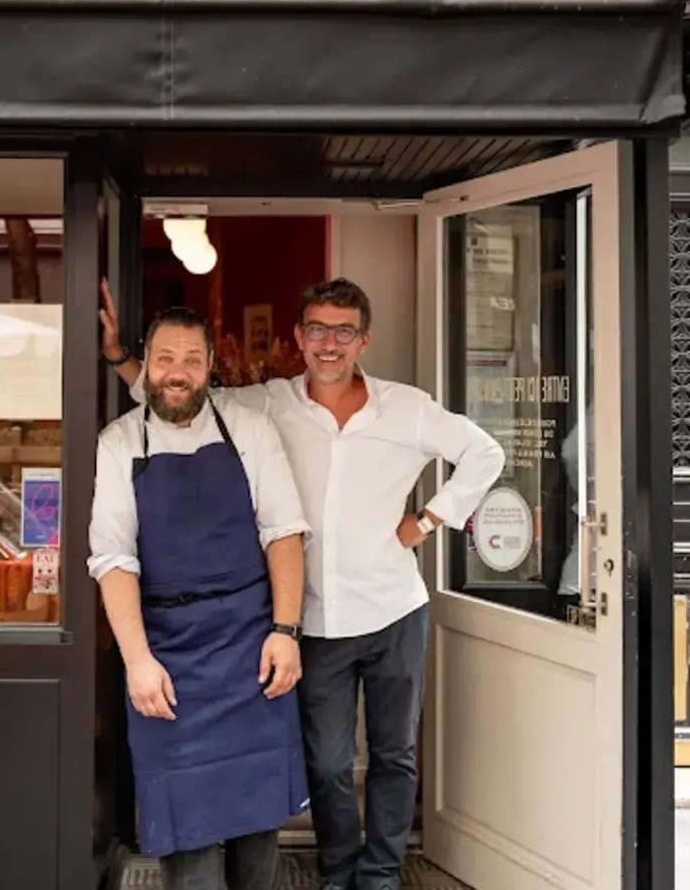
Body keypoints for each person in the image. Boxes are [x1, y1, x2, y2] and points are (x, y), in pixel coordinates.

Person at [99, 277, 506, 890]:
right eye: (317, 329)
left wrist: (425, 522)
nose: (329, 343)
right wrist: (118, 359)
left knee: (395, 755)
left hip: (392, 607)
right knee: (331, 762)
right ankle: (339, 872)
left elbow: (485, 454)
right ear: (298, 338)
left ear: (363, 339)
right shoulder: (266, 404)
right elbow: (178, 394)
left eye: (344, 331)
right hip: (314, 621)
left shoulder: (408, 407)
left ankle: (383, 874)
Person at [88, 305, 312, 890]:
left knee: (257, 820)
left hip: (250, 647)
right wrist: (137, 660)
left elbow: (284, 532)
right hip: (167, 656)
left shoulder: (249, 430)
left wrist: (285, 633)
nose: (177, 372)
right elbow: (113, 560)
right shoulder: (118, 444)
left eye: (192, 359)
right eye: (165, 359)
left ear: (211, 366)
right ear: (148, 368)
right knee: (186, 832)